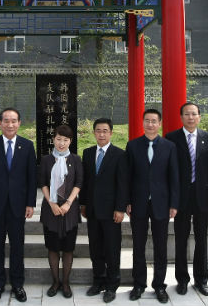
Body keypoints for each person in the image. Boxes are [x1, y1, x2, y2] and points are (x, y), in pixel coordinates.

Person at [0, 107, 36, 303]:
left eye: (14, 121)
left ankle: (18, 284)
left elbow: (31, 177)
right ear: (0, 123)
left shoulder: (27, 146)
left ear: (19, 123)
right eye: (6, 121)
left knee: (17, 247)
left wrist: (30, 203)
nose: (10, 124)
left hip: (18, 206)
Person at [126, 108, 179, 303]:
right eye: (147, 120)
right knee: (138, 246)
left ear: (160, 123)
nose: (150, 124)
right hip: (138, 204)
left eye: (154, 121)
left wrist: (174, 203)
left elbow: (174, 177)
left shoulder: (169, 146)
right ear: (142, 122)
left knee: (160, 247)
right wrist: (127, 202)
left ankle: (159, 286)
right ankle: (139, 284)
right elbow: (127, 178)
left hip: (161, 204)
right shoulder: (132, 146)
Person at [165, 102, 208, 297]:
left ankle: (201, 280)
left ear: (199, 117)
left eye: (194, 114)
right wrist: (172, 199)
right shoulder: (172, 138)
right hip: (181, 198)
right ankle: (182, 280)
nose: (190, 117)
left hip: (203, 196)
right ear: (181, 117)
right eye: (186, 114)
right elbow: (169, 171)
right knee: (181, 239)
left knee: (201, 239)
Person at [80, 118, 128, 304]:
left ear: (111, 133)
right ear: (94, 133)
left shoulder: (119, 154)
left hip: (111, 212)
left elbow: (123, 184)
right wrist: (83, 203)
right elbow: (85, 182)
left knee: (112, 249)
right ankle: (98, 281)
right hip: (92, 210)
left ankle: (112, 285)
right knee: (95, 248)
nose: (101, 134)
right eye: (98, 130)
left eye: (105, 131)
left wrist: (120, 208)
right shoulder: (88, 152)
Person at [39, 124, 83, 299]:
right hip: (51, 209)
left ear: (70, 141)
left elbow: (79, 182)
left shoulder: (75, 160)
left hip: (70, 210)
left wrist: (68, 204)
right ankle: (55, 281)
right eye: (58, 139)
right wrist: (52, 203)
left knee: (68, 248)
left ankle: (65, 282)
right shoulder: (46, 160)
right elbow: (42, 182)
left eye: (65, 140)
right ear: (54, 139)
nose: (61, 143)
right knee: (52, 247)